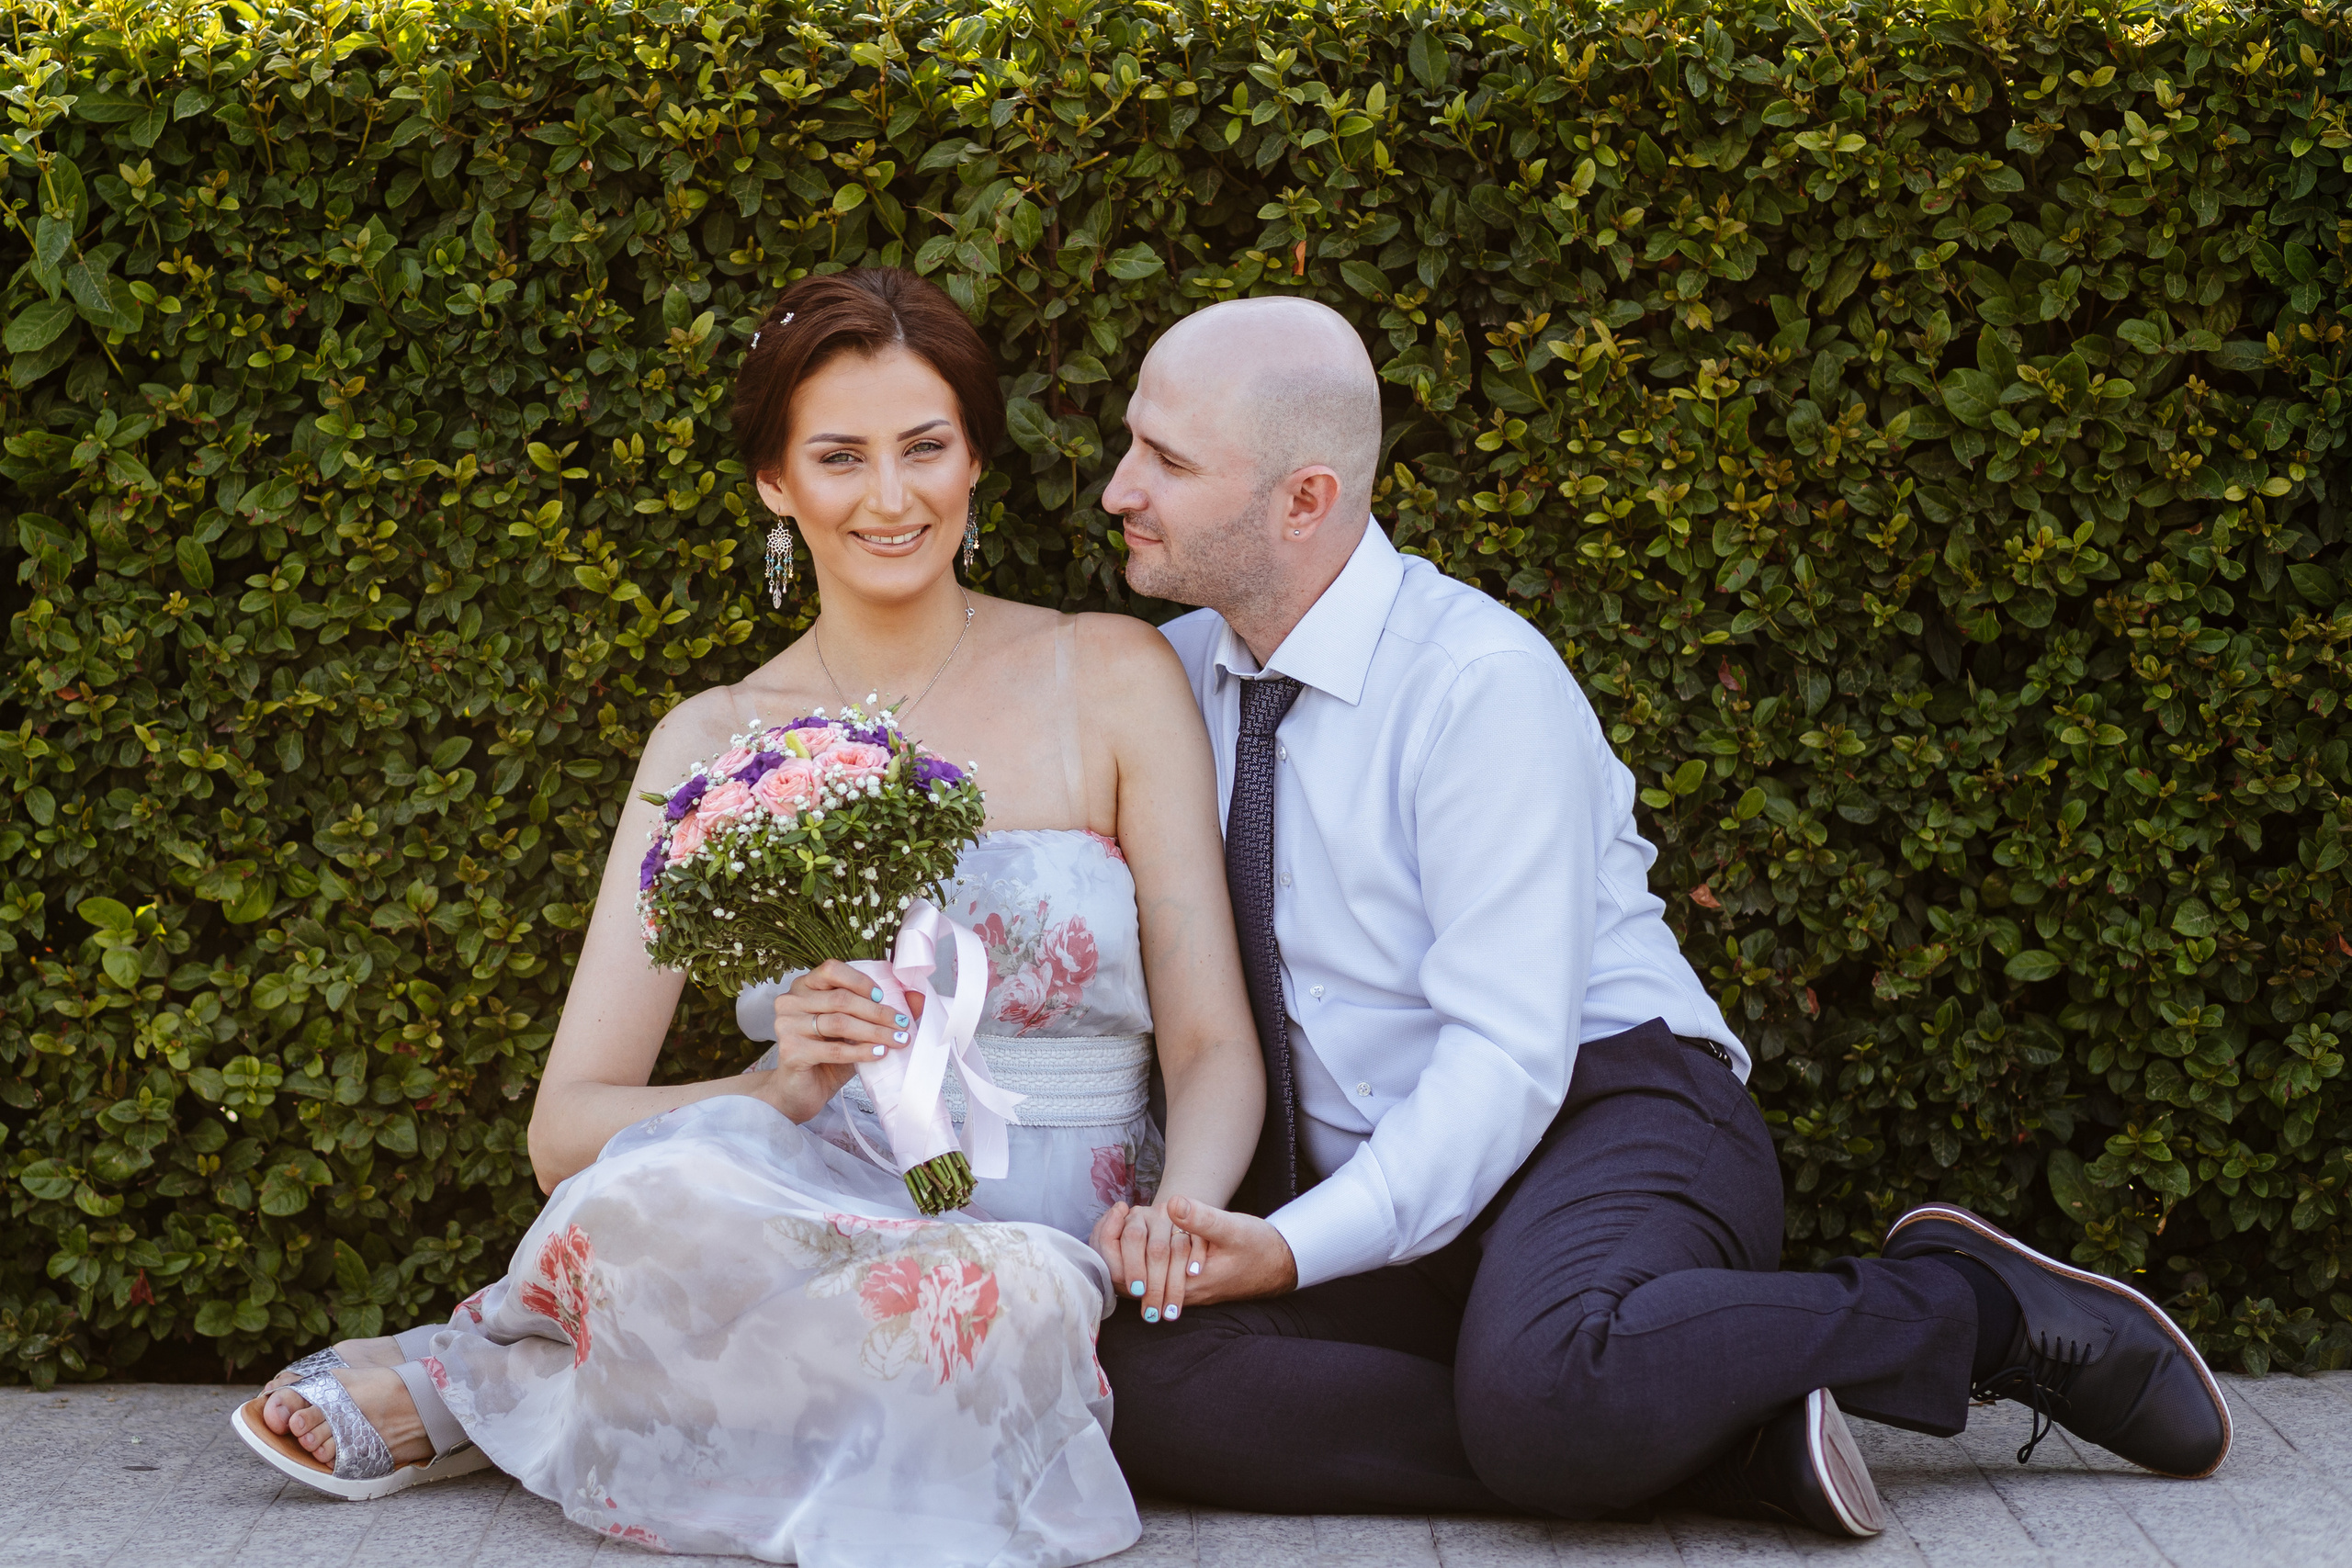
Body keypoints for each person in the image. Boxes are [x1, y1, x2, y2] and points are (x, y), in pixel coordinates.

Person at [1086, 295, 2233, 1537]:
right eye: (1135, 443)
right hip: (1401, 1193)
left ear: (1304, 500)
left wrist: (1294, 1252)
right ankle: (1702, 1429)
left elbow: (1505, 1065)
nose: (1116, 488)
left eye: (1167, 460)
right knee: (1133, 1377)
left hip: (1610, 1116)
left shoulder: (1480, 688)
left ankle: (1972, 1311)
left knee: (1550, 1393)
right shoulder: (1174, 677)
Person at [227, 267, 1267, 1568]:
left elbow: (1213, 1041)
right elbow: (570, 1133)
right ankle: (532, 1371)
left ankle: (481, 1382)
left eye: (924, 448)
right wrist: (775, 1084)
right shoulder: (713, 740)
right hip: (797, 1206)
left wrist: (1187, 1210)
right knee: (660, 1189)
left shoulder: (1107, 671)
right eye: (839, 458)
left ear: (975, 460)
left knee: (981, 1295)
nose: (891, 499)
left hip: (1055, 1220)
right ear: (778, 485)